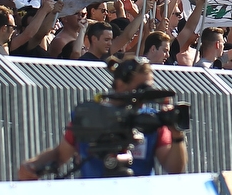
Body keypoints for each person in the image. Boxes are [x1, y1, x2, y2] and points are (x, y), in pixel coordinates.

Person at [18, 55, 187, 179]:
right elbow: (61, 154)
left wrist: (177, 135)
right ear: (120, 84)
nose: (146, 93)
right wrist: (32, 166)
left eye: (149, 87)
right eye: (141, 87)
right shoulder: (90, 115)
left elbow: (174, 169)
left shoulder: (152, 121)